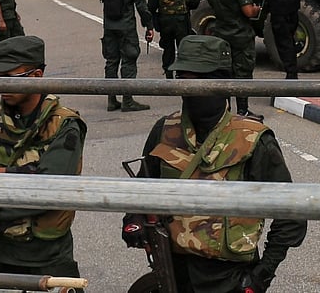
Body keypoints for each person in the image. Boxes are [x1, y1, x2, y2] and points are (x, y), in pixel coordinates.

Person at [121, 35, 307, 292]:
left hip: (229, 277)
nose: (187, 90)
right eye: (182, 80)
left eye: (195, 80)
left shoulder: (253, 140)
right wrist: (134, 220)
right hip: (173, 272)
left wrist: (261, 276)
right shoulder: (164, 130)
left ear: (222, 83)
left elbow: (292, 216)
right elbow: (142, 190)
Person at [0, 35, 87, 283]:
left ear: (36, 77)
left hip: (44, 257)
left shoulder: (64, 125)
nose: (1, 85)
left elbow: (47, 189)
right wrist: (0, 175)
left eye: (9, 77)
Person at [94, 0, 154, 111]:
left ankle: (111, 99)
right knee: (129, 61)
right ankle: (128, 100)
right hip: (126, 28)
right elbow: (141, 5)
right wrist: (149, 26)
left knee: (111, 62)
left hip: (109, 27)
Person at [206, 0, 263, 120]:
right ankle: (243, 110)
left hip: (221, 34)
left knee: (225, 73)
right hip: (241, 36)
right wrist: (257, 9)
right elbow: (248, 12)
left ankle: (226, 110)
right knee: (243, 74)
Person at [148, 0, 200, 78]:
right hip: (182, 19)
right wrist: (186, 7)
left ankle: (168, 73)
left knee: (168, 48)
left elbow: (151, 6)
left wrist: (154, 21)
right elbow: (195, 0)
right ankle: (182, 73)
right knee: (183, 47)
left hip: (165, 20)